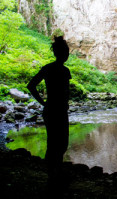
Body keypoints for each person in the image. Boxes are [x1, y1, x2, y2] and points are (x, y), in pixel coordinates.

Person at [27, 36, 71, 188]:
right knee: (60, 142)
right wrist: (44, 102)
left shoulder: (48, 68)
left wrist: (43, 102)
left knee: (55, 142)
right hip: (57, 110)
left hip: (52, 109)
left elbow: (31, 86)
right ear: (63, 54)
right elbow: (65, 92)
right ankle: (53, 175)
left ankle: (54, 173)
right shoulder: (65, 71)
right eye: (66, 52)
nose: (67, 54)